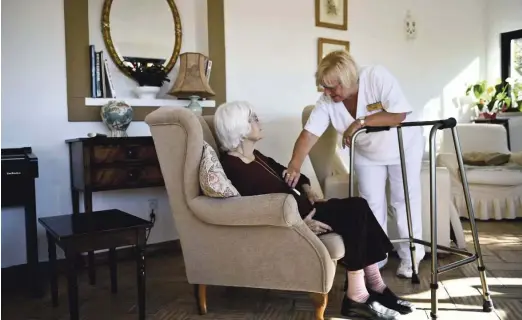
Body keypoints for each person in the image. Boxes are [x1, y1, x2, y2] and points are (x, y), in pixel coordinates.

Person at [213, 101, 415, 320]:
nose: (258, 120)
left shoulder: (257, 157)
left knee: (358, 205)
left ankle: (372, 287)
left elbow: (293, 176)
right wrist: (297, 223)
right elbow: (256, 207)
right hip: (300, 219)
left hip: (309, 209)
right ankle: (359, 295)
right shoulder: (233, 167)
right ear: (239, 128)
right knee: (355, 211)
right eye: (252, 118)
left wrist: (308, 189)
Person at [285, 50, 425, 279]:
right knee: (370, 203)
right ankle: (376, 256)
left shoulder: (376, 77)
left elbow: (398, 115)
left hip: (403, 145)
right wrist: (294, 165)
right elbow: (309, 134)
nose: (328, 93)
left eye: (333, 87)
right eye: (324, 87)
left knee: (403, 200)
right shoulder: (327, 101)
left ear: (349, 79)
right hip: (367, 152)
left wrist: (361, 122)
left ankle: (411, 257)